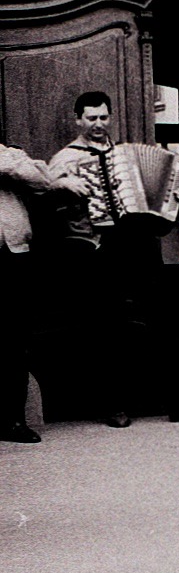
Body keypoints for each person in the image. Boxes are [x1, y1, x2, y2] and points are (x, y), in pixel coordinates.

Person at [49, 91, 179, 428]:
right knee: (109, 327)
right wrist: (66, 185)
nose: (99, 124)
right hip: (99, 246)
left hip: (139, 242)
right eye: (91, 118)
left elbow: (167, 192)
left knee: (167, 321)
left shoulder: (124, 153)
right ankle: (114, 405)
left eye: (103, 117)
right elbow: (46, 195)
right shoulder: (65, 159)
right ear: (78, 120)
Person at [2, 144, 91, 442]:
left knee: (15, 338)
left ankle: (14, 421)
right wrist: (13, 166)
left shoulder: (9, 153)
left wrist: (9, 164)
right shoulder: (11, 156)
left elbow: (42, 179)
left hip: (15, 252)